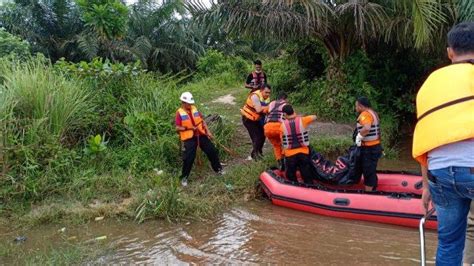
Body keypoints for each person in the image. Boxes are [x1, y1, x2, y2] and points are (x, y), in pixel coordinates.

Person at [412, 22, 474, 266]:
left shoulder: (429, 84)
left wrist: (426, 186)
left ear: (450, 52)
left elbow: (427, 137)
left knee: (448, 243)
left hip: (439, 174)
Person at [175, 92, 224, 187]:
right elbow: (177, 128)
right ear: (183, 102)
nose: (190, 105)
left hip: (200, 134)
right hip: (189, 138)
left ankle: (218, 169)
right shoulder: (179, 113)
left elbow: (202, 121)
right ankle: (184, 177)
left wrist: (208, 132)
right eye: (188, 103)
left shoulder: (194, 109)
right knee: (188, 158)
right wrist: (188, 128)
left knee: (212, 151)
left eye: (191, 103)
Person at [280, 104, 317, 184]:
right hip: (303, 153)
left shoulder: (282, 126)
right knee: (306, 173)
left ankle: (295, 190)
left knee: (291, 175)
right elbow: (314, 117)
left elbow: (282, 141)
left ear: (285, 114)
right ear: (293, 111)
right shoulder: (302, 120)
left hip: (290, 155)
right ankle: (310, 187)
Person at [353, 96, 382, 192]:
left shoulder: (365, 114)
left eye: (356, 106)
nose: (356, 108)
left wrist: (359, 136)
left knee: (368, 171)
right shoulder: (373, 113)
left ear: (361, 106)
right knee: (371, 169)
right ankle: (373, 188)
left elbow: (367, 128)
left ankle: (368, 193)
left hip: (369, 149)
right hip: (375, 147)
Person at [241, 85, 271, 160]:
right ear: (261, 90)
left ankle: (259, 153)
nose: (267, 94)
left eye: (269, 93)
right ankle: (255, 155)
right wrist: (269, 108)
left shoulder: (266, 98)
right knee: (257, 137)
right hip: (248, 119)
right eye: (266, 92)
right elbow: (258, 110)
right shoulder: (255, 96)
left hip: (256, 119)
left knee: (263, 135)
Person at [264, 92, 288, 168]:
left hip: (268, 128)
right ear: (285, 99)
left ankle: (280, 162)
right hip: (279, 127)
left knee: (276, 145)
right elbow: (291, 116)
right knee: (285, 145)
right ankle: (286, 160)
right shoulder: (286, 105)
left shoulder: (271, 103)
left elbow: (265, 111)